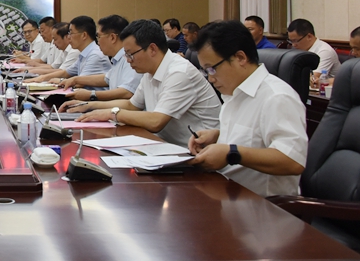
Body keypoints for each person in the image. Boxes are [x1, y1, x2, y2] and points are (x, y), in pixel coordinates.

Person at [188, 20, 307, 197]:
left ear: (240, 58)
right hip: (226, 193)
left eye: (212, 69)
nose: (210, 79)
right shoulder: (233, 92)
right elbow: (255, 138)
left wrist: (231, 153)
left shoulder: (277, 97)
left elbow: (292, 161)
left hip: (263, 206)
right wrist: (217, 136)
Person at [70, 19, 221, 146]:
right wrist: (89, 105)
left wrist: (112, 113)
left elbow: (156, 121)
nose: (128, 60)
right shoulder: (150, 71)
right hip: (166, 147)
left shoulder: (179, 72)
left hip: (198, 154)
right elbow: (132, 105)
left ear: (152, 49)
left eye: (130, 54)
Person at [58, 15, 142, 105]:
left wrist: (91, 94)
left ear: (112, 37)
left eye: (99, 36)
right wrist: (75, 80)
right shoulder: (117, 58)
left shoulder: (129, 58)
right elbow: (106, 78)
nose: (97, 41)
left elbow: (127, 91)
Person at [25, 16, 111, 88]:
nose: (68, 37)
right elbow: (66, 72)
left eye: (71, 33)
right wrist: (41, 78)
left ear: (84, 35)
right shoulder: (84, 53)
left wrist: (60, 81)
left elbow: (80, 83)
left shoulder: (95, 55)